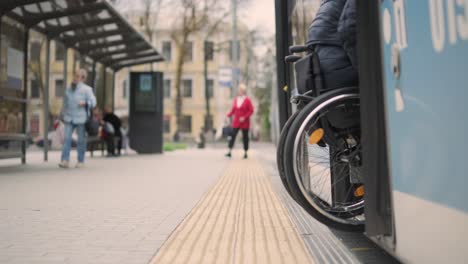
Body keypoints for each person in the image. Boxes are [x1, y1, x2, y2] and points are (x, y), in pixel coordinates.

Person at [307, 0, 358, 90]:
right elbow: (349, 29)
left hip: (323, 77)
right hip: (341, 74)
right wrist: (362, 67)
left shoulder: (327, 5)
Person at [59, 69, 96, 168]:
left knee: (81, 140)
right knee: (66, 139)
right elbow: (65, 104)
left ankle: (80, 161)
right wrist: (61, 115)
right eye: (75, 75)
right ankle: (65, 160)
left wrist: (85, 103)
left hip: (81, 119)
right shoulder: (68, 89)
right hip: (69, 118)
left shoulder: (87, 89)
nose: (75, 78)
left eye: (77, 76)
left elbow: (93, 102)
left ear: (83, 78)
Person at [225, 84, 254, 159]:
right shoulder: (236, 99)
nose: (240, 92)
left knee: (245, 137)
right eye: (239, 90)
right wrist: (228, 115)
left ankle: (245, 152)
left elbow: (251, 110)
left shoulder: (247, 100)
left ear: (244, 91)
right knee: (232, 136)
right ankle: (229, 151)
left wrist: (244, 117)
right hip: (236, 122)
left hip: (245, 123)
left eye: (241, 90)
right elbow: (233, 110)